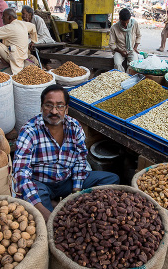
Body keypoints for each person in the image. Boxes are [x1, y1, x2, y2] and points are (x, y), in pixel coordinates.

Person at [13, 84, 120, 221]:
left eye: (60, 106)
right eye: (48, 105)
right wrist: (42, 211)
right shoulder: (29, 131)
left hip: (66, 181)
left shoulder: (74, 127)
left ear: (66, 109)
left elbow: (80, 160)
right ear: (41, 107)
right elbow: (21, 173)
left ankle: (66, 205)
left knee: (111, 179)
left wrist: (75, 193)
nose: (54, 111)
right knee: (45, 215)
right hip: (41, 184)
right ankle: (52, 206)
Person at [109, 8, 140, 72]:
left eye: (127, 22)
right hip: (120, 50)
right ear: (120, 19)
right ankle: (122, 77)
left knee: (134, 64)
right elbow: (111, 44)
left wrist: (135, 47)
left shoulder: (134, 24)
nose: (126, 25)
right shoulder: (114, 28)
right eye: (123, 23)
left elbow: (138, 36)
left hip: (131, 50)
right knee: (117, 64)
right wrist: (121, 51)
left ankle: (128, 77)